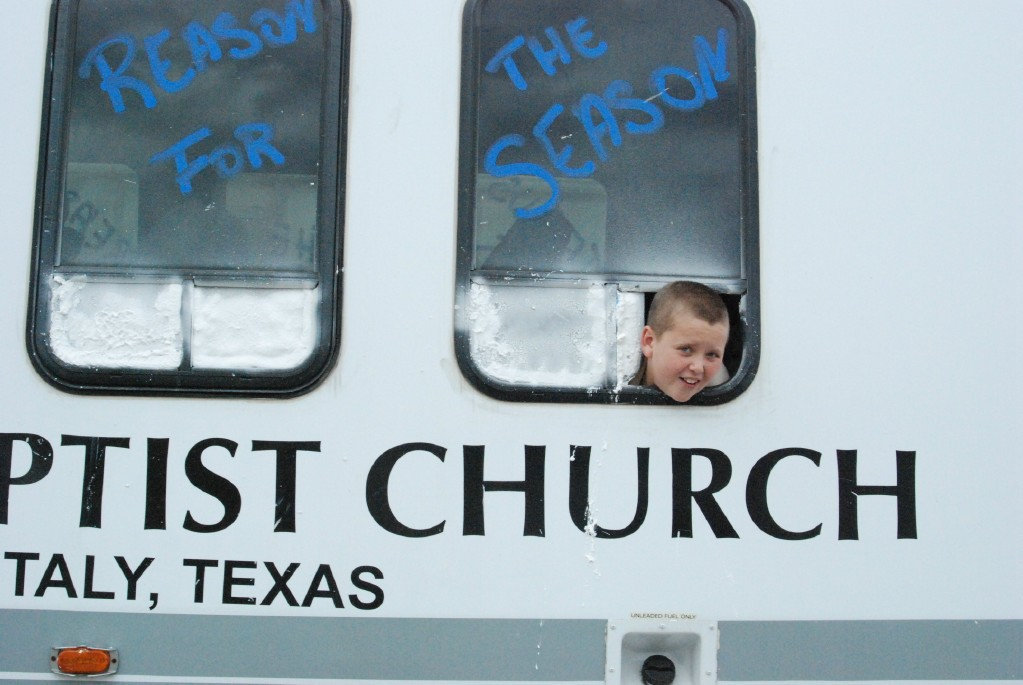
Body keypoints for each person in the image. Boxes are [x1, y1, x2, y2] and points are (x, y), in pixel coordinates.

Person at [631, 281, 730, 403]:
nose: (698, 368)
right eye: (686, 349)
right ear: (649, 342)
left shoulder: (720, 385)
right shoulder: (620, 378)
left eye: (712, 354)